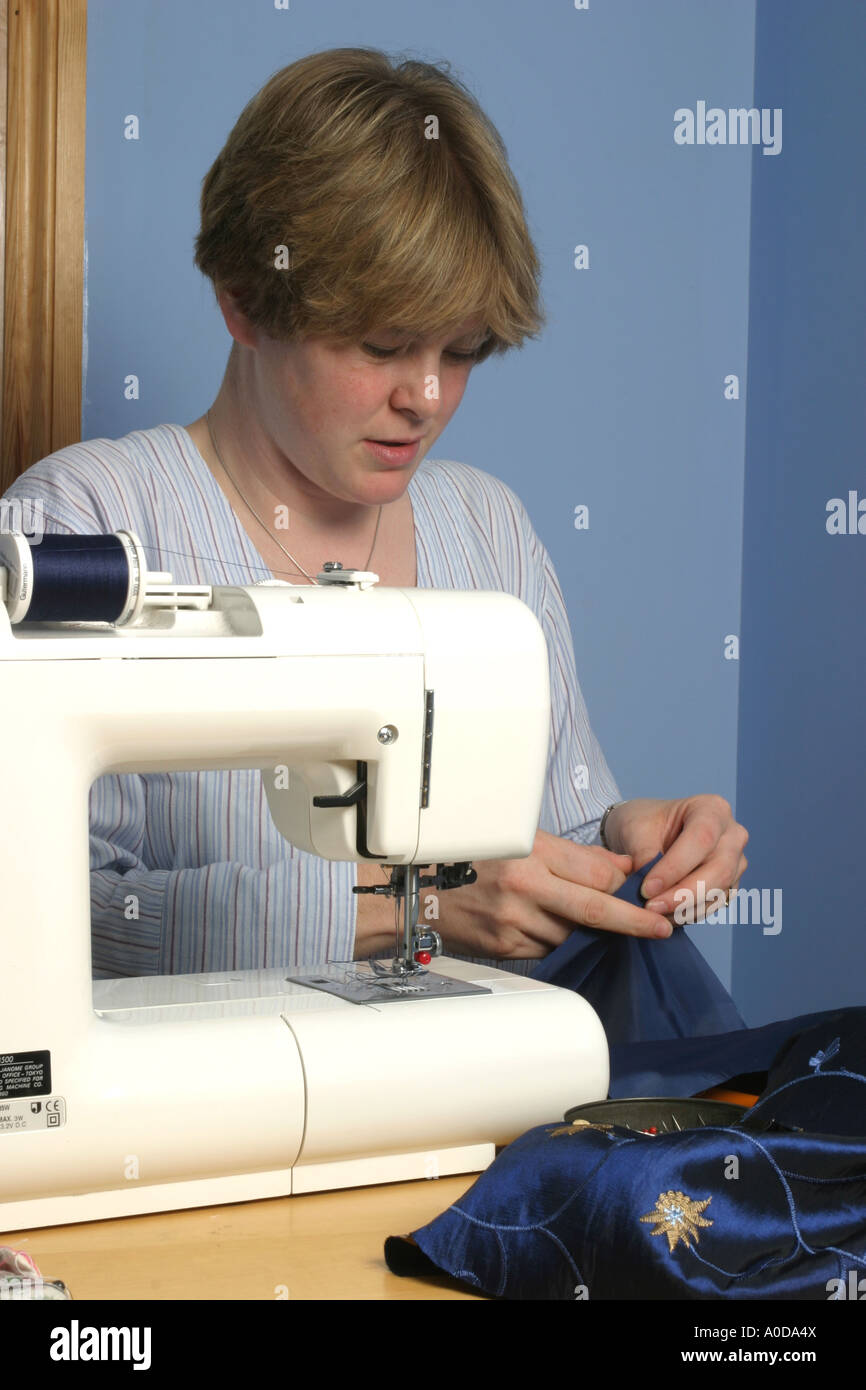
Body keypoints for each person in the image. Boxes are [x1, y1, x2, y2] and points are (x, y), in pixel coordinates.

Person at [2, 47, 747, 992]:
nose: (427, 398)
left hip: (481, 1118)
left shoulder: (489, 529)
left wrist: (627, 846)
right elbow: (41, 919)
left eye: (463, 350)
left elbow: (547, 839)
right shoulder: (80, 526)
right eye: (383, 345)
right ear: (243, 299)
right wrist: (408, 904)